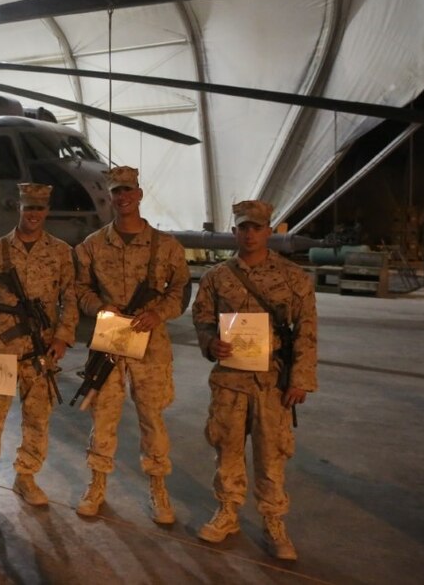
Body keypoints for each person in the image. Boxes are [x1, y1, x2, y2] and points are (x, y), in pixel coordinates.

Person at [192, 200, 317, 561]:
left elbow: (306, 329)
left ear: (268, 231)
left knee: (271, 453)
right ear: (235, 232)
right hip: (230, 378)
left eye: (257, 228)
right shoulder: (217, 277)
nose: (250, 234)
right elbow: (202, 318)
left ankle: (273, 521)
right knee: (227, 449)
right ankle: (227, 512)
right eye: (243, 228)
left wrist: (300, 379)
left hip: (272, 381)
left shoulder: (293, 277)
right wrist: (210, 342)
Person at [73, 166, 190, 523]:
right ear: (110, 197)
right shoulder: (93, 245)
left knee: (152, 417)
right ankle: (96, 485)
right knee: (103, 416)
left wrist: (159, 313)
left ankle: (158, 490)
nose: (123, 197)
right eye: (116, 192)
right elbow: (80, 289)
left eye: (128, 190)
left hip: (150, 343)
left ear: (139, 194)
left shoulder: (165, 246)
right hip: (109, 340)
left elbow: (181, 290)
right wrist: (99, 307)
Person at [0, 183, 77, 515]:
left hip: (42, 349)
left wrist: (62, 337)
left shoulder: (61, 252)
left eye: (39, 208)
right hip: (0, 347)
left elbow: (70, 297)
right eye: (28, 208)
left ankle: (26, 476)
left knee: (38, 418)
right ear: (19, 209)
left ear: (47, 211)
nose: (34, 214)